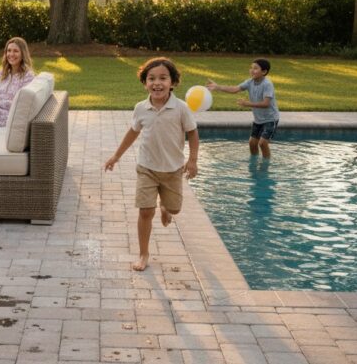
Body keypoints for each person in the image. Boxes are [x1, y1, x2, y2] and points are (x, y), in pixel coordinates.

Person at [104, 57, 199, 272]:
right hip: (146, 168)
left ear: (173, 82)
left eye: (163, 78)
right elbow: (133, 132)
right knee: (145, 211)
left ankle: (165, 207)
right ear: (145, 83)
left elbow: (193, 133)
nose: (157, 83)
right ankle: (143, 253)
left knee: (174, 209)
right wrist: (116, 156)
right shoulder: (141, 108)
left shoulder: (181, 108)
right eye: (151, 78)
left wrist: (192, 160)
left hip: (173, 170)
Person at [207, 58, 280, 159]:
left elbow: (266, 103)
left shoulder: (267, 84)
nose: (252, 70)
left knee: (262, 143)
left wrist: (248, 104)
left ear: (264, 72)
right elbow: (234, 89)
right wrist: (218, 87)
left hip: (270, 119)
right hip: (258, 119)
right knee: (252, 143)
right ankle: (253, 162)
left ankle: (266, 164)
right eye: (251, 68)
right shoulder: (250, 82)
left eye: (255, 68)